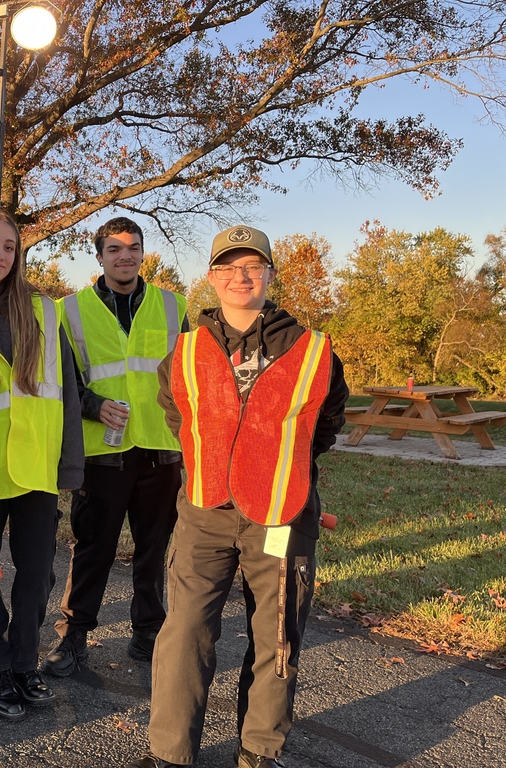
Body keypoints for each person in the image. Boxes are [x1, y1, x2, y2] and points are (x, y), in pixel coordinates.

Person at [129, 225, 348, 768]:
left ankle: (258, 751)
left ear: (271, 275)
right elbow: (178, 417)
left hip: (282, 512)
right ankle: (170, 754)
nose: (241, 276)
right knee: (184, 632)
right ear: (212, 278)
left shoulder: (312, 349)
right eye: (228, 267)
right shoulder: (184, 352)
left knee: (277, 636)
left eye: (253, 266)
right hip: (204, 512)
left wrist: (277, 469)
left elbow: (327, 423)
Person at [42, 217, 188, 678]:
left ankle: (148, 632)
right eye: (114, 249)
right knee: (93, 547)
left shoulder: (172, 306)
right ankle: (74, 635)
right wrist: (93, 405)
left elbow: (188, 377)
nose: (124, 255)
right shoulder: (70, 310)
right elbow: (63, 382)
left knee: (154, 547)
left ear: (142, 253)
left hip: (161, 446)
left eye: (133, 247)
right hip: (101, 451)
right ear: (99, 255)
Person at [0, 212, 85, 721]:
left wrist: (70, 467)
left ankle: (24, 662)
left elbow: (68, 394)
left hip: (36, 470)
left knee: (37, 577)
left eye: (10, 247)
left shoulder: (43, 311)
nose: (0, 255)